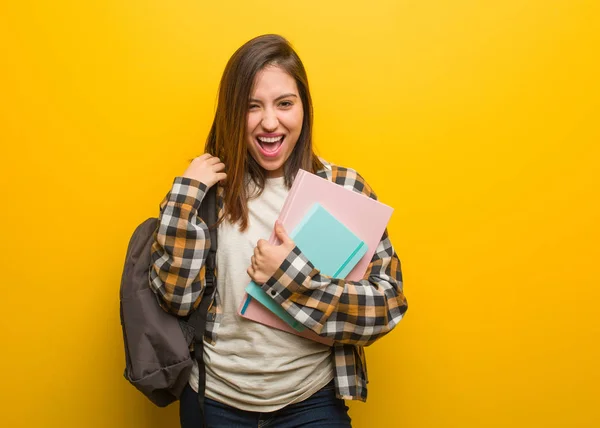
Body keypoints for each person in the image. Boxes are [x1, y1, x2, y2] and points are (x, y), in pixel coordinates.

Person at [149, 34, 408, 428]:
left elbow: (387, 306)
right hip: (214, 402)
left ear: (304, 107)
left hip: (311, 402)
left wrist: (289, 276)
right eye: (252, 107)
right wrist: (185, 197)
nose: (270, 122)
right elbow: (175, 299)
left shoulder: (344, 189)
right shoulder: (206, 190)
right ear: (232, 113)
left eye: (284, 103)